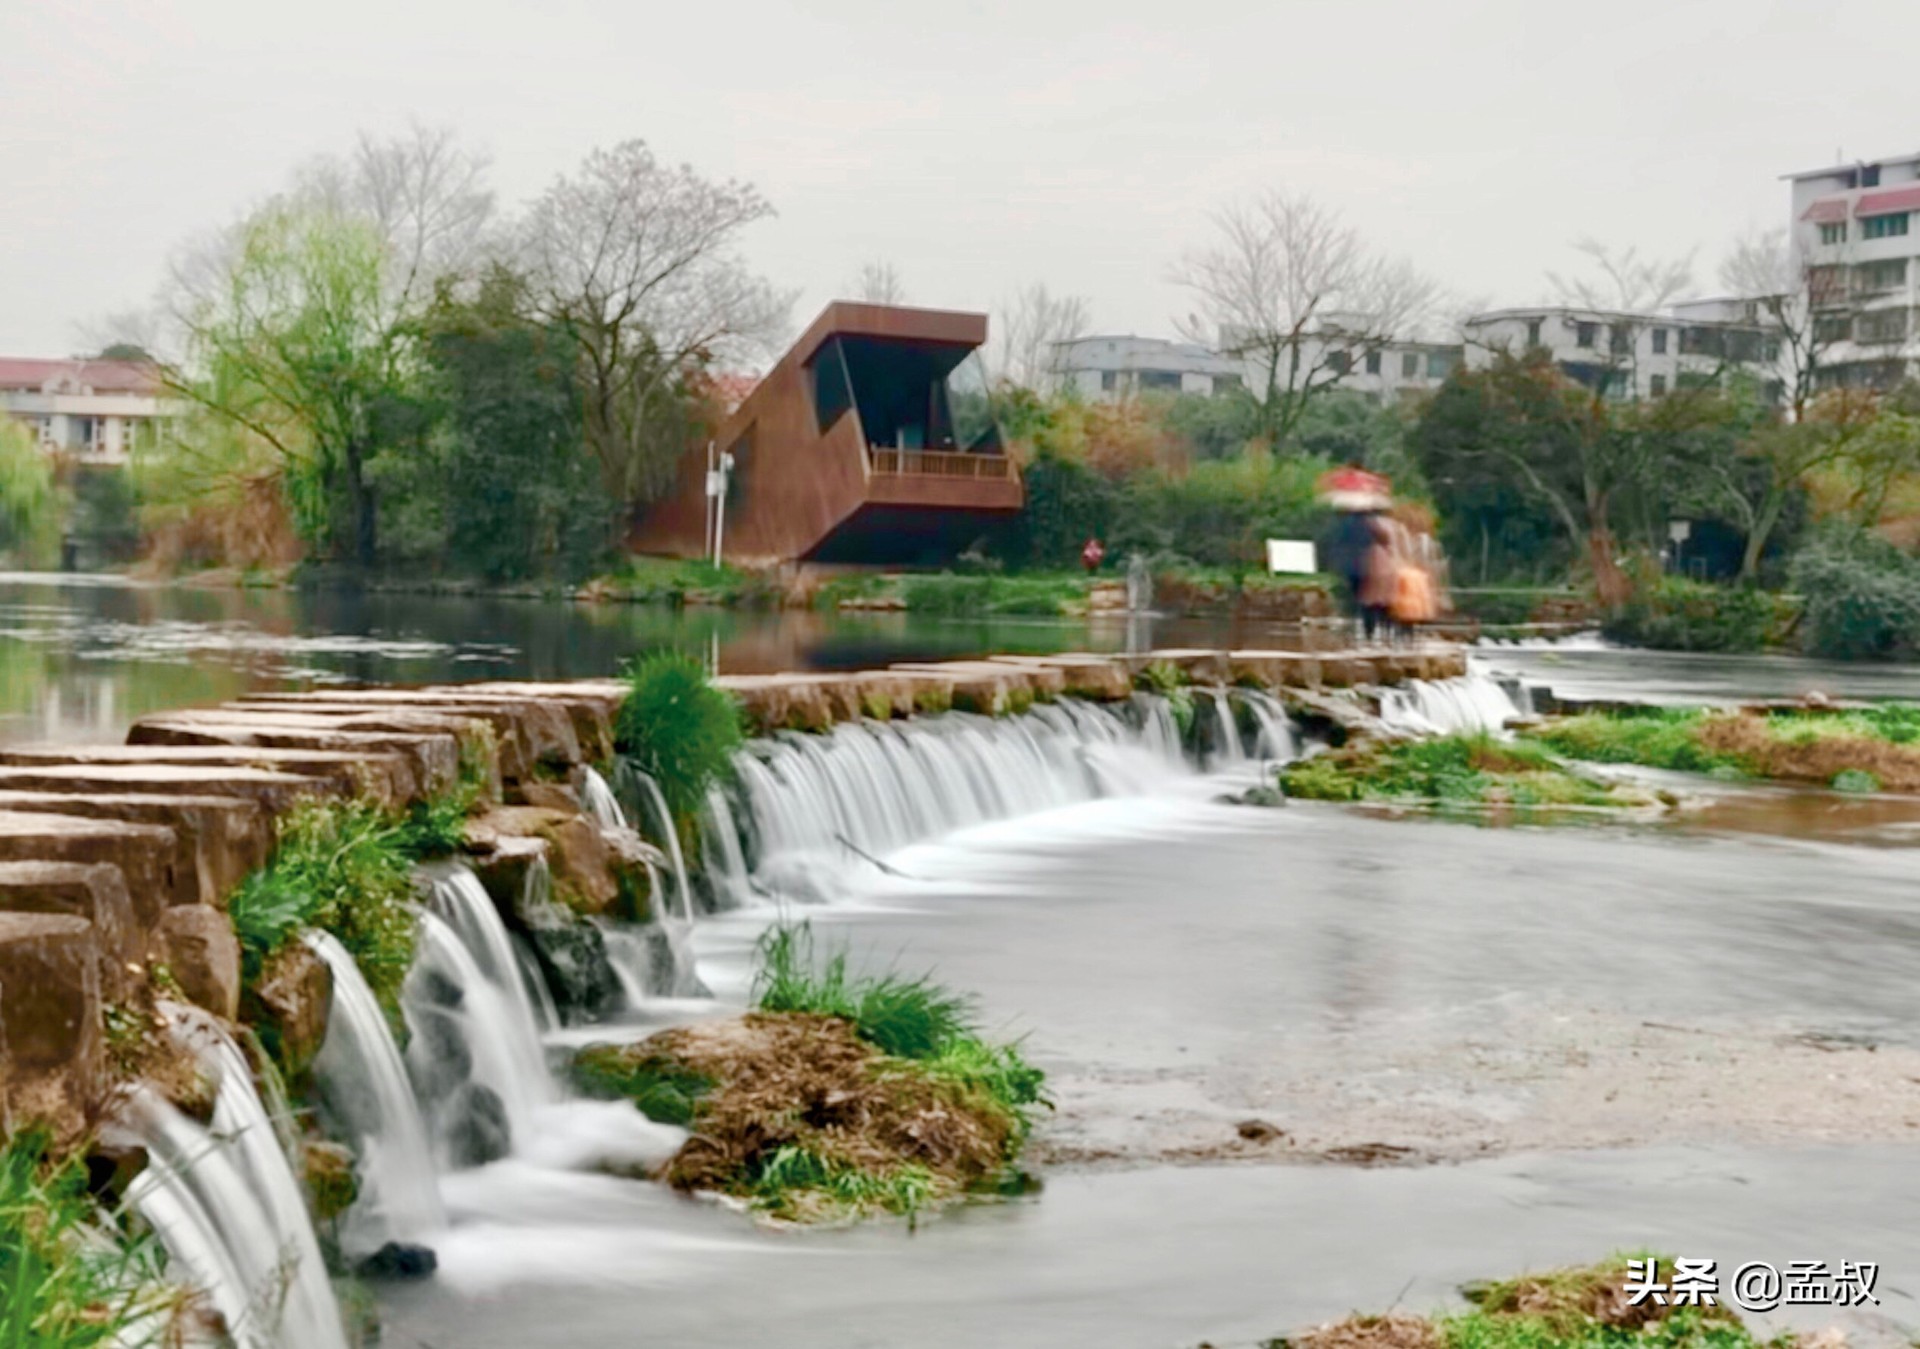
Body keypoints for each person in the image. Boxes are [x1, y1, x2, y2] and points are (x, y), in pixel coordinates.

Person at [1322, 509, 1378, 636]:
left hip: (1350, 567)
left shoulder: (1345, 526)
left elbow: (1338, 544)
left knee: (1352, 598)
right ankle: (1368, 630)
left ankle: (1350, 625)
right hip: (1366, 568)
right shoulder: (1370, 527)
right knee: (1366, 600)